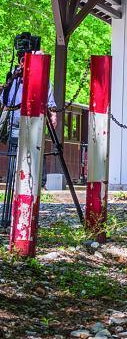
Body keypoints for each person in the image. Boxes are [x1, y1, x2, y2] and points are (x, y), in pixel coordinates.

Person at [1, 47, 58, 227]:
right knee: (14, 164)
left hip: (34, 126)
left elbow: (50, 102)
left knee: (33, 163)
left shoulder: (43, 78)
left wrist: (52, 113)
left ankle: (29, 205)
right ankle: (14, 206)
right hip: (16, 124)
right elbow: (5, 101)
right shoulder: (14, 78)